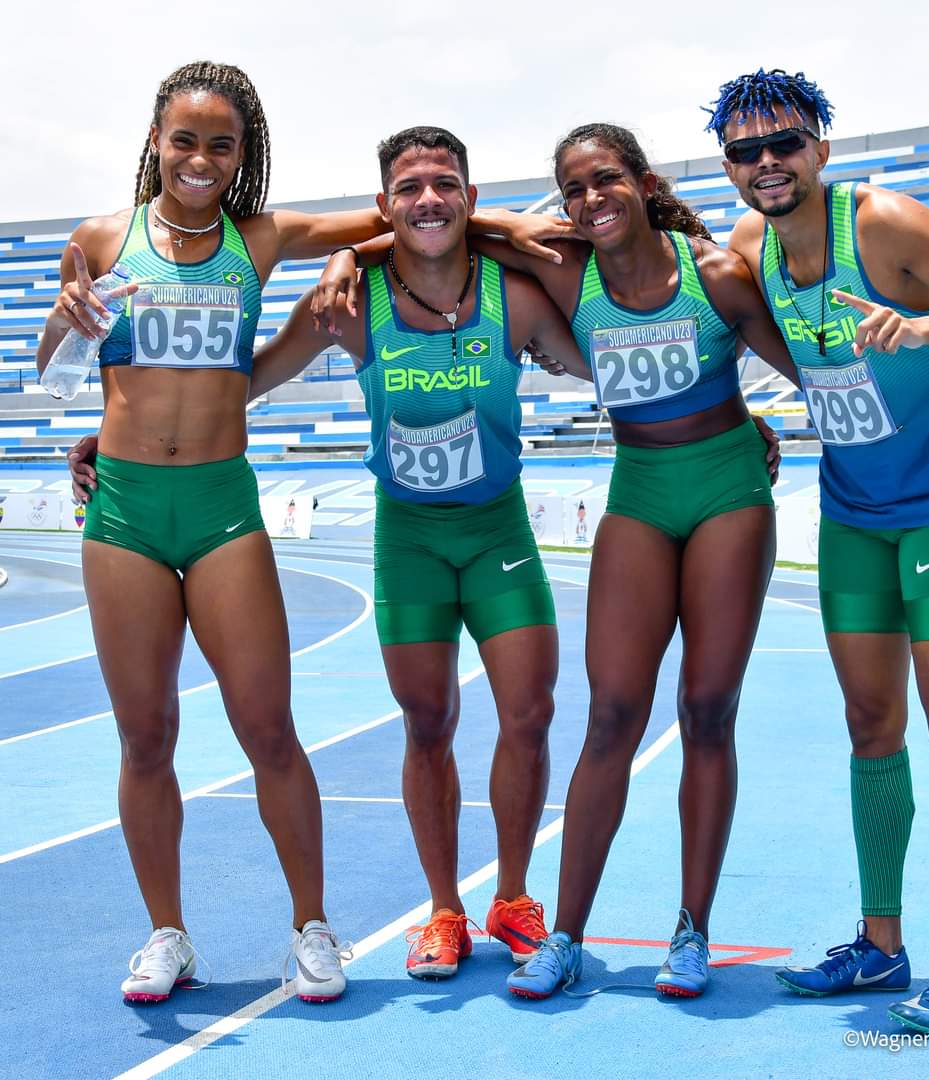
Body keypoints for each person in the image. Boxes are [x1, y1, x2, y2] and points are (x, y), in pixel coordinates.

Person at [52, 66, 562, 1004]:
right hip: (123, 509)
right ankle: (167, 933)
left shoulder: (264, 238)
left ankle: (311, 927)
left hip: (223, 506)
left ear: (245, 156)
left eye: (222, 144)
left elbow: (408, 228)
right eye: (184, 140)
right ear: (155, 141)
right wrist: (68, 325)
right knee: (145, 737)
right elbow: (58, 371)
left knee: (269, 729)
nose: (201, 159)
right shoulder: (98, 240)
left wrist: (339, 263)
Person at [315, 122, 801, 1000]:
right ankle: (564, 932)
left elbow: (809, 365)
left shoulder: (716, 272)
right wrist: (348, 254)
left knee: (705, 709)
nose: (589, 200)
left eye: (605, 181)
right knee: (611, 713)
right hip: (637, 493)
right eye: (573, 190)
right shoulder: (563, 272)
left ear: (643, 182)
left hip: (727, 486)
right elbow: (455, 226)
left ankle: (690, 931)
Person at [708, 68, 929, 1034]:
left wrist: (927, 325)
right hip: (852, 513)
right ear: (732, 169)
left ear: (821, 145)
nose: (767, 164)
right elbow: (746, 347)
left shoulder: (886, 226)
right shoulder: (747, 247)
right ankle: (880, 944)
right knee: (868, 726)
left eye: (784, 144)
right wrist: (750, 421)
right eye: (746, 151)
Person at [247, 126, 594, 980]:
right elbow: (250, 379)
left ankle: (512, 897)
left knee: (529, 711)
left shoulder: (513, 296)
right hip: (407, 540)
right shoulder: (350, 302)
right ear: (384, 206)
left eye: (445, 184)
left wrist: (743, 418)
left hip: (497, 532)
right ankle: (444, 910)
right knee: (428, 722)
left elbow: (615, 369)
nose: (428, 198)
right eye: (409, 188)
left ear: (471, 200)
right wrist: (123, 423)